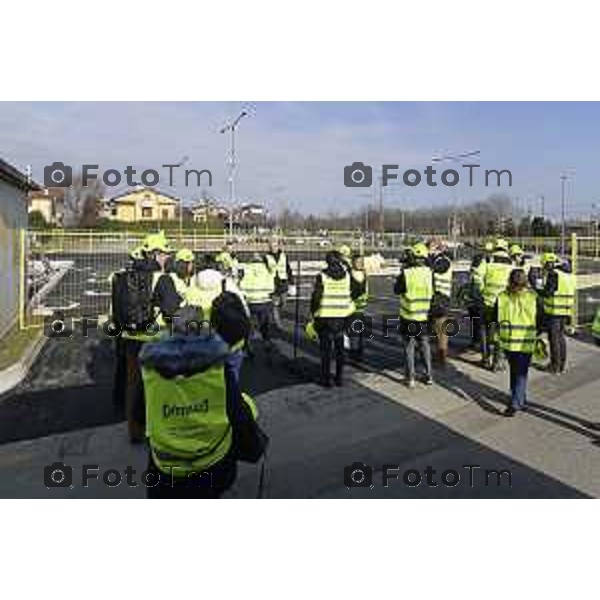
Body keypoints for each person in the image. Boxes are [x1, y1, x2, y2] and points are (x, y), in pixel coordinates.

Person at [140, 306, 261, 499]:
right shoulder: (218, 368)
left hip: (166, 465)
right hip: (212, 461)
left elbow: (142, 409)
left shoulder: (150, 369)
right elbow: (237, 411)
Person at [119, 231, 185, 443]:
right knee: (159, 387)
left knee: (133, 387)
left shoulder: (124, 276)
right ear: (155, 254)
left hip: (129, 339)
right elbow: (173, 313)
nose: (168, 257)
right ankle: (158, 431)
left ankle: (134, 432)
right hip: (156, 340)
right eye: (165, 253)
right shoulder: (162, 279)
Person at [496, 269, 541, 416]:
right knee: (520, 373)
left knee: (517, 373)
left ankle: (515, 403)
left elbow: (493, 317)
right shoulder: (533, 297)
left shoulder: (502, 297)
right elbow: (542, 318)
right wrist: (537, 332)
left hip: (508, 342)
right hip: (525, 342)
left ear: (510, 281)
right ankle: (519, 398)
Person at [310, 250, 355, 387]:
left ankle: (326, 379)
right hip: (342, 317)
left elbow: (316, 297)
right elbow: (354, 291)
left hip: (325, 318)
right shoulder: (347, 275)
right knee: (340, 350)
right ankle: (339, 378)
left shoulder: (322, 276)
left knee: (326, 352)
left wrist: (313, 311)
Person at [394, 242, 434, 388]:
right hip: (424, 315)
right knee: (425, 345)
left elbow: (397, 290)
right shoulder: (429, 273)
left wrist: (402, 272)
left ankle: (410, 378)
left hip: (408, 316)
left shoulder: (406, 273)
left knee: (409, 347)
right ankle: (428, 375)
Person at [537, 252, 576, 374]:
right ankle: (561, 366)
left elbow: (548, 292)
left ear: (548, 263)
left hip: (554, 311)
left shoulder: (554, 274)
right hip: (565, 310)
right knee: (561, 338)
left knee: (553, 338)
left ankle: (554, 367)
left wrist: (538, 289)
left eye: (544, 265)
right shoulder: (569, 274)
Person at [480, 238, 514, 370]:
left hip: (487, 302)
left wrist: (483, 291)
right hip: (504, 304)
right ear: (505, 248)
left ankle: (485, 358)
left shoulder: (487, 261)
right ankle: (498, 361)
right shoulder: (511, 263)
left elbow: (478, 278)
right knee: (501, 332)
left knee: (485, 330)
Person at [239, 253, 275, 355]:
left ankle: (248, 346)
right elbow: (272, 284)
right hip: (264, 301)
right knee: (264, 325)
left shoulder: (246, 268)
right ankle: (266, 341)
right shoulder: (267, 269)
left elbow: (240, 284)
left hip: (250, 302)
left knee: (248, 326)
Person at [429, 243, 453, 366]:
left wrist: (429, 257)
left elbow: (437, 268)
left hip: (441, 298)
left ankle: (441, 358)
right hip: (436, 297)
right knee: (436, 329)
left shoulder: (445, 260)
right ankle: (438, 355)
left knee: (441, 329)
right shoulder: (439, 259)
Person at [265, 239, 293, 328]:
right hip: (272, 283)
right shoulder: (266, 257)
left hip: (283, 282)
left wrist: (292, 282)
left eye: (275, 246)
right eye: (272, 246)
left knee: (283, 303)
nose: (273, 248)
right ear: (269, 247)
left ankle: (275, 315)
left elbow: (288, 269)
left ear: (278, 246)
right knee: (275, 305)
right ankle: (278, 324)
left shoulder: (284, 256)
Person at [348, 254, 369, 359]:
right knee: (354, 332)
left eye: (362, 261)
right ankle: (354, 353)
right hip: (352, 308)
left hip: (362, 308)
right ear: (353, 263)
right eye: (358, 261)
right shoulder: (350, 274)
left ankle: (359, 351)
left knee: (361, 332)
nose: (361, 263)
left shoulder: (364, 273)